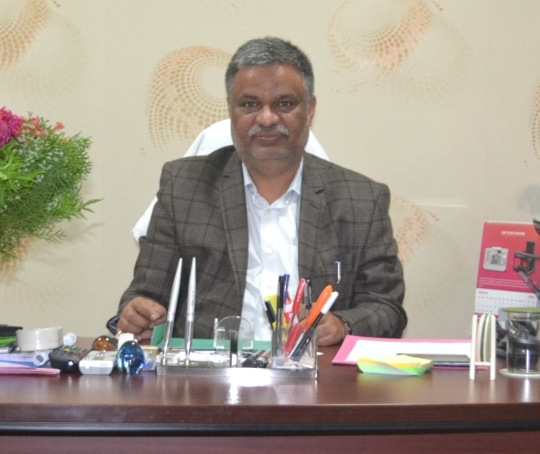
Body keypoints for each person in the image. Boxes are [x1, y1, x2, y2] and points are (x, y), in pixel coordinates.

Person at [116, 37, 407, 346]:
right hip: (209, 371)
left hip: (316, 373)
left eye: (284, 104)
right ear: (231, 109)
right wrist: (139, 313)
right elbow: (145, 295)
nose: (267, 119)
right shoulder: (184, 187)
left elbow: (387, 308)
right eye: (250, 104)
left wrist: (343, 325)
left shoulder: (362, 200)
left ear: (310, 109)